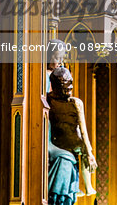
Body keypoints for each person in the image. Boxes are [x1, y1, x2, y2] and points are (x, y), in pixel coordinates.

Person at [48, 67, 97, 196]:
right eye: (66, 88)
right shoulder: (75, 103)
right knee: (83, 149)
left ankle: (84, 187)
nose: (69, 91)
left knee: (82, 149)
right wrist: (89, 153)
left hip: (60, 140)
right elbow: (83, 131)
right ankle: (88, 186)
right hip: (67, 141)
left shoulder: (49, 99)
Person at [46, 39, 80, 205]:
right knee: (66, 157)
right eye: (56, 57)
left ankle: (64, 198)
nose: (59, 62)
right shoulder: (45, 77)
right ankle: (57, 198)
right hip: (46, 131)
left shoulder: (60, 75)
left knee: (73, 155)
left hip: (57, 128)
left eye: (61, 58)